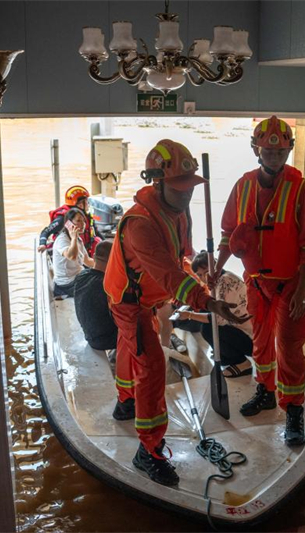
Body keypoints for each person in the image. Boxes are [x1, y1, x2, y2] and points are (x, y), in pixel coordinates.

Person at [104, 139, 245, 486]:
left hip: (150, 296)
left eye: (189, 188)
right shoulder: (140, 224)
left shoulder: (180, 211)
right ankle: (148, 452)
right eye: (179, 188)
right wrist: (205, 301)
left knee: (129, 348)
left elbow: (182, 256)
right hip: (128, 299)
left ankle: (125, 402)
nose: (185, 195)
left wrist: (198, 274)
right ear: (157, 181)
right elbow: (168, 275)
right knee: (151, 364)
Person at [214, 116, 305, 446]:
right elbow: (228, 232)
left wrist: (302, 291)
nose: (274, 157)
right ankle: (265, 390)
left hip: (289, 285)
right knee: (260, 343)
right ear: (256, 150)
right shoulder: (243, 186)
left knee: (290, 350)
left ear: (288, 151)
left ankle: (293, 411)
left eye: (280, 152)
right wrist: (216, 269)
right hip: (256, 283)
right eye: (267, 151)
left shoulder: (302, 189)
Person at [176, 253, 254, 378]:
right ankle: (226, 356)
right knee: (204, 317)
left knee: (208, 329)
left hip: (251, 340)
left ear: (216, 267)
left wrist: (189, 315)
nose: (204, 278)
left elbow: (218, 319)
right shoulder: (220, 280)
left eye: (207, 272)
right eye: (200, 275)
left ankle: (242, 363)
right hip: (242, 331)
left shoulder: (225, 281)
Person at [74, 240, 117, 351]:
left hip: (89, 336)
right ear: (113, 260)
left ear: (94, 256)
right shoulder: (107, 284)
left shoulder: (82, 275)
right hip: (105, 340)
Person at [38, 185, 102, 257]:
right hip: (71, 252)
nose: (88, 204)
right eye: (87, 201)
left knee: (98, 241)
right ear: (80, 204)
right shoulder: (64, 218)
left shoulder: (86, 216)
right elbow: (46, 231)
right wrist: (42, 244)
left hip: (84, 251)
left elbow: (95, 232)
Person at [52, 208, 93, 299]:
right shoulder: (62, 240)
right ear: (68, 224)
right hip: (66, 284)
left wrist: (106, 266)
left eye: (83, 221)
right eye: (78, 221)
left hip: (78, 277)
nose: (82, 224)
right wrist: (73, 238)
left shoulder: (78, 239)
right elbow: (72, 256)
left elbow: (87, 260)